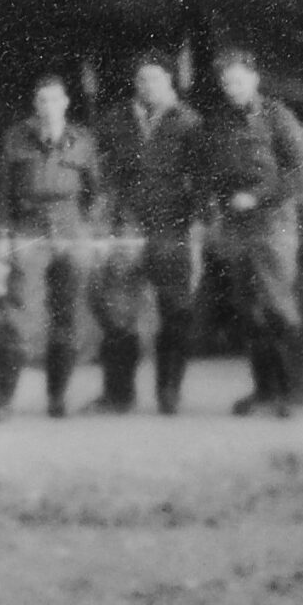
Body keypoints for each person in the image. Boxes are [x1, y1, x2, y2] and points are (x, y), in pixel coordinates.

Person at [198, 48, 303, 417]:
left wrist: (258, 197)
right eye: (226, 82)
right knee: (247, 308)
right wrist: (214, 206)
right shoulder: (218, 122)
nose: (233, 88)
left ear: (254, 79)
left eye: (239, 81)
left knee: (276, 303)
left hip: (273, 223)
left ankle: (294, 392)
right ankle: (265, 389)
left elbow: (297, 175)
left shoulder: (277, 117)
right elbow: (212, 171)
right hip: (235, 224)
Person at [91, 54, 203, 414]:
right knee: (118, 311)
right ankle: (118, 395)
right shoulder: (116, 121)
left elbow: (201, 180)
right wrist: (105, 222)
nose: (148, 86)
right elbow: (103, 175)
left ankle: (169, 391)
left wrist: (196, 228)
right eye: (141, 80)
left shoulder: (189, 122)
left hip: (171, 227)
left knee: (176, 311)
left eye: (155, 79)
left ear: (170, 81)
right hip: (127, 227)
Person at [0, 73, 104, 417]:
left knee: (67, 314)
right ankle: (4, 398)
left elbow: (97, 190)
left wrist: (90, 230)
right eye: (43, 100)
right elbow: (3, 190)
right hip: (29, 227)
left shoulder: (82, 140)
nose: (49, 106)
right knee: (19, 313)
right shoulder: (17, 138)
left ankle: (57, 397)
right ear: (35, 104)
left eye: (55, 99)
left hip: (70, 227)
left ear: (65, 103)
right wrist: (2, 233)